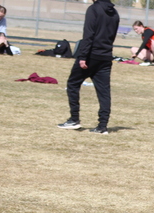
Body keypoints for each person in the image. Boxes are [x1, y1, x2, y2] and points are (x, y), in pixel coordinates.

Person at [57, 0, 119, 135]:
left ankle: (74, 119)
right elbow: (112, 36)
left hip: (91, 55)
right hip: (106, 56)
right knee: (104, 91)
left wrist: (83, 56)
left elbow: (88, 34)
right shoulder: (114, 13)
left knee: (73, 84)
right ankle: (102, 125)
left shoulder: (94, 9)